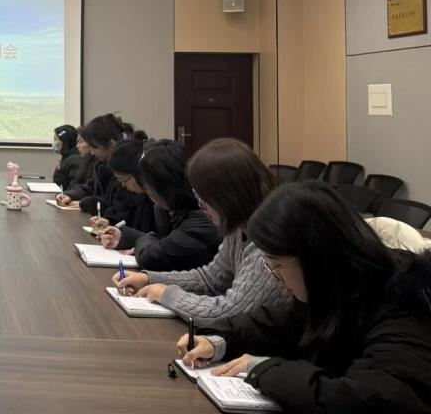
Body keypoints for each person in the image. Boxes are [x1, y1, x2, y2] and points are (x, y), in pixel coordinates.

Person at [178, 182, 431, 413]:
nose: (276, 277)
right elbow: (278, 324)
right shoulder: (341, 289)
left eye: (277, 265)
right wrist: (219, 340)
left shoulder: (405, 305)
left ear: (314, 258)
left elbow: (368, 400)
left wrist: (263, 369)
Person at [113, 138, 293, 324]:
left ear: (228, 197)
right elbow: (210, 279)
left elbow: (229, 312)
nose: (202, 207)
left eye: (203, 200)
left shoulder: (269, 241)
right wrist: (149, 279)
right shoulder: (238, 227)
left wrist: (167, 294)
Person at [99, 139, 220, 271]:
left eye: (147, 188)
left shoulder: (203, 218)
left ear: (164, 186)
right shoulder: (176, 209)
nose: (147, 193)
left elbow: (150, 258)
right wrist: (125, 237)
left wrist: (145, 242)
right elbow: (165, 243)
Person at [55, 114, 140, 208]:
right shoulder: (102, 165)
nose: (92, 152)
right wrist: (70, 195)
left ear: (111, 144)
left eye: (95, 147)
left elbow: (119, 208)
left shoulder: (125, 169)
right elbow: (89, 187)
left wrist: (87, 204)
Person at [49, 125, 81, 190]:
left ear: (65, 141)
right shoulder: (68, 157)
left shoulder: (74, 160)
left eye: (55, 139)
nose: (53, 142)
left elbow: (73, 187)